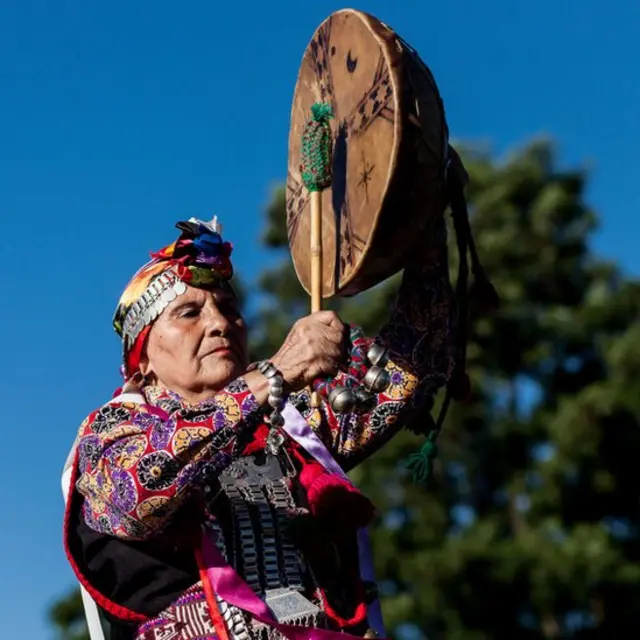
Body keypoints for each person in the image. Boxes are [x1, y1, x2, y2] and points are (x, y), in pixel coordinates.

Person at [63, 212, 460, 640]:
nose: (219, 323)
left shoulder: (288, 426)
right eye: (189, 312)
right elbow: (138, 494)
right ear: (142, 357)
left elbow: (409, 372)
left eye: (229, 308)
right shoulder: (112, 430)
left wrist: (428, 233)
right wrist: (277, 373)